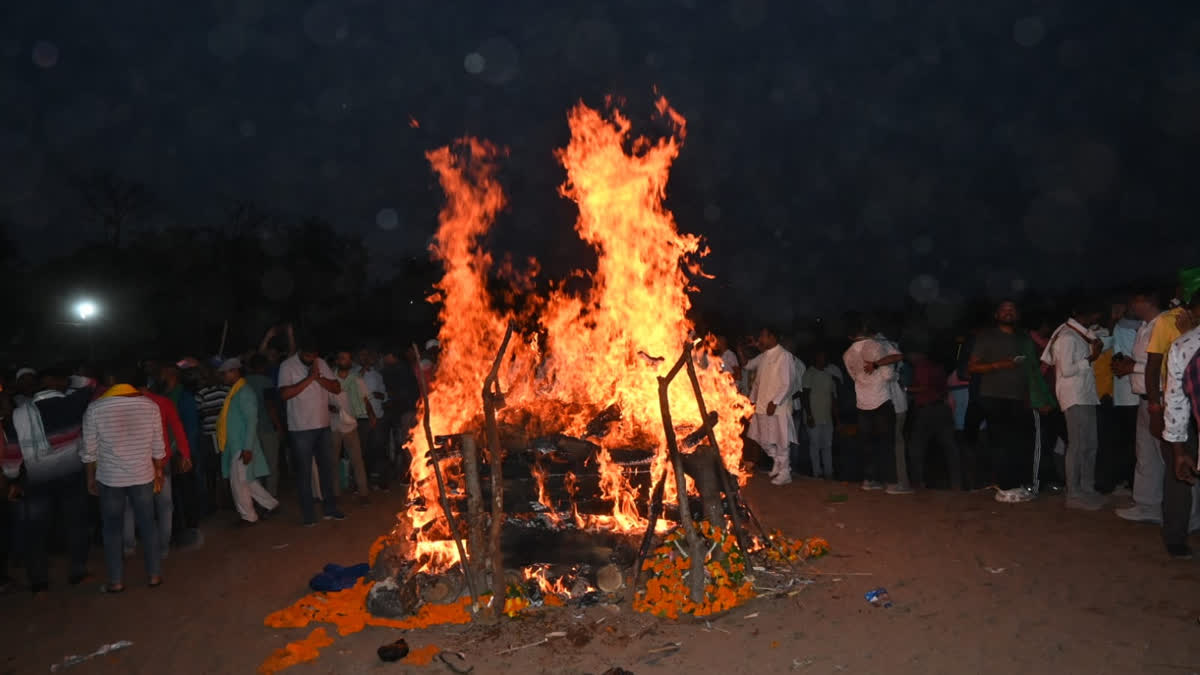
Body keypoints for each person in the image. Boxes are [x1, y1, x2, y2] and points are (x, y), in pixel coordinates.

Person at [2, 368, 97, 593]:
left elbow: (13, 454)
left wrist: (12, 477)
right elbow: (90, 383)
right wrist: (68, 377)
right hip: (72, 476)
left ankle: (39, 581)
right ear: (57, 383)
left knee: (36, 530)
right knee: (75, 525)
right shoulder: (72, 404)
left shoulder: (19, 414)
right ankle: (77, 572)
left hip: (37, 481)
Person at [82, 364, 166, 592]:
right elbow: (159, 445)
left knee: (112, 529)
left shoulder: (95, 408)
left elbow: (89, 450)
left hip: (109, 478)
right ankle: (154, 575)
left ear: (110, 380)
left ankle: (116, 581)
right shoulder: (149, 405)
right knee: (148, 525)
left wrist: (90, 478)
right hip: (143, 475)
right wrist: (158, 471)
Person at [968, 301, 1037, 501]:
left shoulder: (1023, 337)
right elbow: (973, 367)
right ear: (997, 315)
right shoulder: (987, 336)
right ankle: (1005, 488)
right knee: (1000, 443)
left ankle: (1016, 484)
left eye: (1012, 310)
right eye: (1004, 310)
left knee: (1018, 443)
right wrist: (999, 365)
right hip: (994, 396)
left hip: (1018, 397)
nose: (1009, 313)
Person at [1042, 303, 1106, 510]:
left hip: (1085, 396)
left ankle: (1087, 488)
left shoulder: (1078, 335)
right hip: (1074, 396)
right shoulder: (1067, 337)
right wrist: (1091, 358)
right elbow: (1067, 370)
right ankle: (1074, 494)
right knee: (1078, 446)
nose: (1095, 317)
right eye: (1092, 313)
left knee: (1090, 444)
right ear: (1078, 313)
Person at [278, 334, 345, 525]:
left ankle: (330, 509)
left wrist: (318, 378)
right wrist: (309, 379)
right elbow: (284, 394)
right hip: (301, 429)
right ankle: (308, 515)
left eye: (314, 355)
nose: (311, 359)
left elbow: (336, 388)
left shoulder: (321, 363)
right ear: (300, 352)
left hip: (323, 426)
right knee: (304, 473)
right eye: (308, 356)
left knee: (327, 470)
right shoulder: (287, 366)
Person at [123, 380, 192, 560]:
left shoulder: (122, 405)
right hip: (161, 460)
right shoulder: (162, 402)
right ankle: (162, 548)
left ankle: (129, 545)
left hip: (134, 462)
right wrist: (185, 453)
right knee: (164, 506)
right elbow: (177, 426)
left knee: (131, 505)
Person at [1160, 281, 1200, 559]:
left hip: (1189, 424)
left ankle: (1175, 540)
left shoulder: (1184, 345)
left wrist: (1177, 450)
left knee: (1178, 480)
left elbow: (1175, 402)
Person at [844, 318, 904, 492]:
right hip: (881, 400)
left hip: (862, 402)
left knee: (867, 443)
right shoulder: (876, 346)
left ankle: (869, 480)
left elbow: (854, 376)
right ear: (863, 329)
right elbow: (888, 375)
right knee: (886, 443)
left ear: (849, 336)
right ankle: (892, 483)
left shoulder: (847, 354)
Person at [216, 359, 278, 525]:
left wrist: (247, 448)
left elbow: (252, 421)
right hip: (238, 444)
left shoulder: (244, 393)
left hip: (241, 445)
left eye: (225, 373)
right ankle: (271, 505)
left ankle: (249, 516)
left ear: (235, 371)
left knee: (239, 483)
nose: (223, 376)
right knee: (247, 481)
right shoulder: (236, 392)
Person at [744, 327, 798, 486]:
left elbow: (788, 383)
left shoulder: (784, 356)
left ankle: (785, 472)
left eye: (763, 336)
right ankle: (778, 462)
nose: (760, 338)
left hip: (777, 407)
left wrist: (775, 402)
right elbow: (752, 373)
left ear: (772, 337)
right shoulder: (763, 356)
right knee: (762, 439)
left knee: (781, 441)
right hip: (761, 406)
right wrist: (751, 401)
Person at [159, 362, 202, 546]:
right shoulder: (165, 395)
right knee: (175, 494)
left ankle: (192, 527)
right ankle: (178, 528)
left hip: (181, 451)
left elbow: (191, 427)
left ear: (171, 374)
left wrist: (186, 454)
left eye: (162, 371)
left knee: (186, 491)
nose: (159, 375)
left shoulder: (183, 396)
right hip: (168, 451)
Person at [907, 349, 962, 490]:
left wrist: (906, 389)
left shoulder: (921, 366)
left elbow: (924, 387)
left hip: (927, 409)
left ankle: (918, 482)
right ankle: (957, 482)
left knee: (917, 448)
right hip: (942, 408)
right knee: (950, 447)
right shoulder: (938, 366)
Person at [330, 351, 374, 501]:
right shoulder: (329, 379)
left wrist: (372, 415)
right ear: (337, 361)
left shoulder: (356, 379)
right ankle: (335, 494)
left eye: (348, 359)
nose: (346, 361)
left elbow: (366, 399)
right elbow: (322, 401)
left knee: (357, 459)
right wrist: (329, 408)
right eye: (343, 358)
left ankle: (363, 492)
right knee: (333, 461)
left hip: (351, 424)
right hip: (334, 424)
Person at [245, 354, 283, 497]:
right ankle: (270, 499)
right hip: (266, 428)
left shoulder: (244, 382)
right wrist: (279, 426)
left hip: (250, 431)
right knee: (271, 466)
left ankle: (259, 499)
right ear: (263, 366)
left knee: (256, 468)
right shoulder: (267, 382)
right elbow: (270, 406)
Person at [800, 349, 837, 479]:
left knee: (827, 445)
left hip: (827, 417)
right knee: (815, 445)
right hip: (814, 416)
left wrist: (836, 417)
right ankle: (817, 472)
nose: (823, 359)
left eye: (825, 357)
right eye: (821, 357)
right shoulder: (809, 374)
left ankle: (828, 472)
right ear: (815, 358)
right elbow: (804, 396)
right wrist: (809, 415)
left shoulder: (828, 374)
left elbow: (832, 397)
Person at [357, 349, 391, 491]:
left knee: (379, 449)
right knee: (363, 451)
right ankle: (363, 482)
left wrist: (381, 395)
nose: (367, 358)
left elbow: (385, 395)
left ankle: (380, 481)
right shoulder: (355, 373)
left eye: (369, 355)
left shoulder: (377, 375)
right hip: (362, 417)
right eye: (363, 355)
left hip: (378, 416)